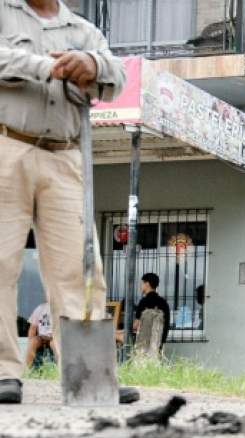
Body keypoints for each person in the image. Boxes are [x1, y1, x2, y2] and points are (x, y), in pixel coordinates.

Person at [0, 0, 135, 404]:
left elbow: (119, 75)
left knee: (81, 268)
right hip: (8, 144)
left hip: (66, 154)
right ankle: (4, 372)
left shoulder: (82, 30)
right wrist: (48, 67)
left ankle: (89, 376)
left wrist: (92, 64)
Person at [133, 273, 171, 347]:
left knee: (114, 335)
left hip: (144, 341)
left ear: (147, 284)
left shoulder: (144, 302)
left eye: (142, 283)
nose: (140, 286)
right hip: (160, 341)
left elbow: (135, 326)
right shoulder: (164, 302)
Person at [24, 301, 58, 368]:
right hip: (42, 337)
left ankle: (60, 370)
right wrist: (30, 341)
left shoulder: (61, 308)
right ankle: (27, 368)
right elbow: (33, 327)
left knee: (56, 346)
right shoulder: (41, 308)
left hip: (54, 337)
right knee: (33, 342)